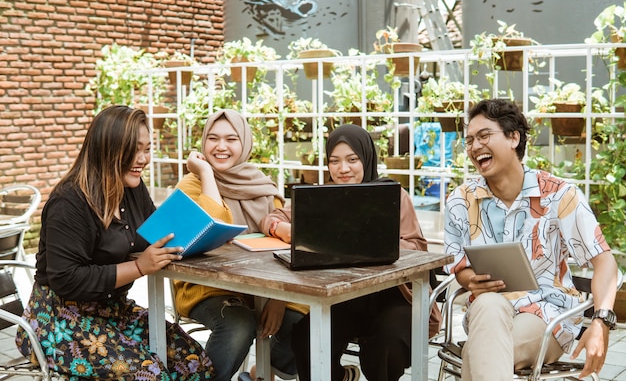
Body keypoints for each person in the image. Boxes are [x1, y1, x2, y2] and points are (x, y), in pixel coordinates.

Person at [15, 105, 215, 380]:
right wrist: (140, 267)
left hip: (112, 311)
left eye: (147, 149)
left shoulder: (131, 188)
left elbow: (157, 234)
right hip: (59, 320)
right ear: (106, 149)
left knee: (195, 362)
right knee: (150, 375)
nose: (142, 159)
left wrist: (204, 224)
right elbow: (66, 278)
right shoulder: (69, 201)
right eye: (134, 150)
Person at [444, 98, 618, 380]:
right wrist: (469, 279)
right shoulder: (460, 201)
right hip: (486, 314)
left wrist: (602, 320)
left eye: (485, 135)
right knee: (487, 305)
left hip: (547, 317)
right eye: (470, 140)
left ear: (514, 137)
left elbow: (605, 262)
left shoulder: (560, 195)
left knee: (477, 353)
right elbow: (458, 266)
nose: (475, 147)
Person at [260, 123, 442, 381]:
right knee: (305, 339)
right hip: (346, 297)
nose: (343, 169)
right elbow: (270, 218)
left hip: (393, 297)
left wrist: (371, 243)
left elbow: (417, 247)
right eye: (334, 161)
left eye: (352, 160)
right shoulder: (324, 197)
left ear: (366, 158)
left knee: (386, 345)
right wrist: (284, 229)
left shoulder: (391, 195)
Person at [172, 109, 307, 381]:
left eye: (231, 139)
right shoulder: (190, 185)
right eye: (213, 139)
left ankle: (264, 372)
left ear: (244, 143)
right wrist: (206, 174)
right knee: (238, 324)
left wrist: (278, 298)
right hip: (207, 287)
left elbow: (283, 248)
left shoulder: (260, 185)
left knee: (304, 317)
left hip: (262, 288)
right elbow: (213, 221)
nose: (221, 147)